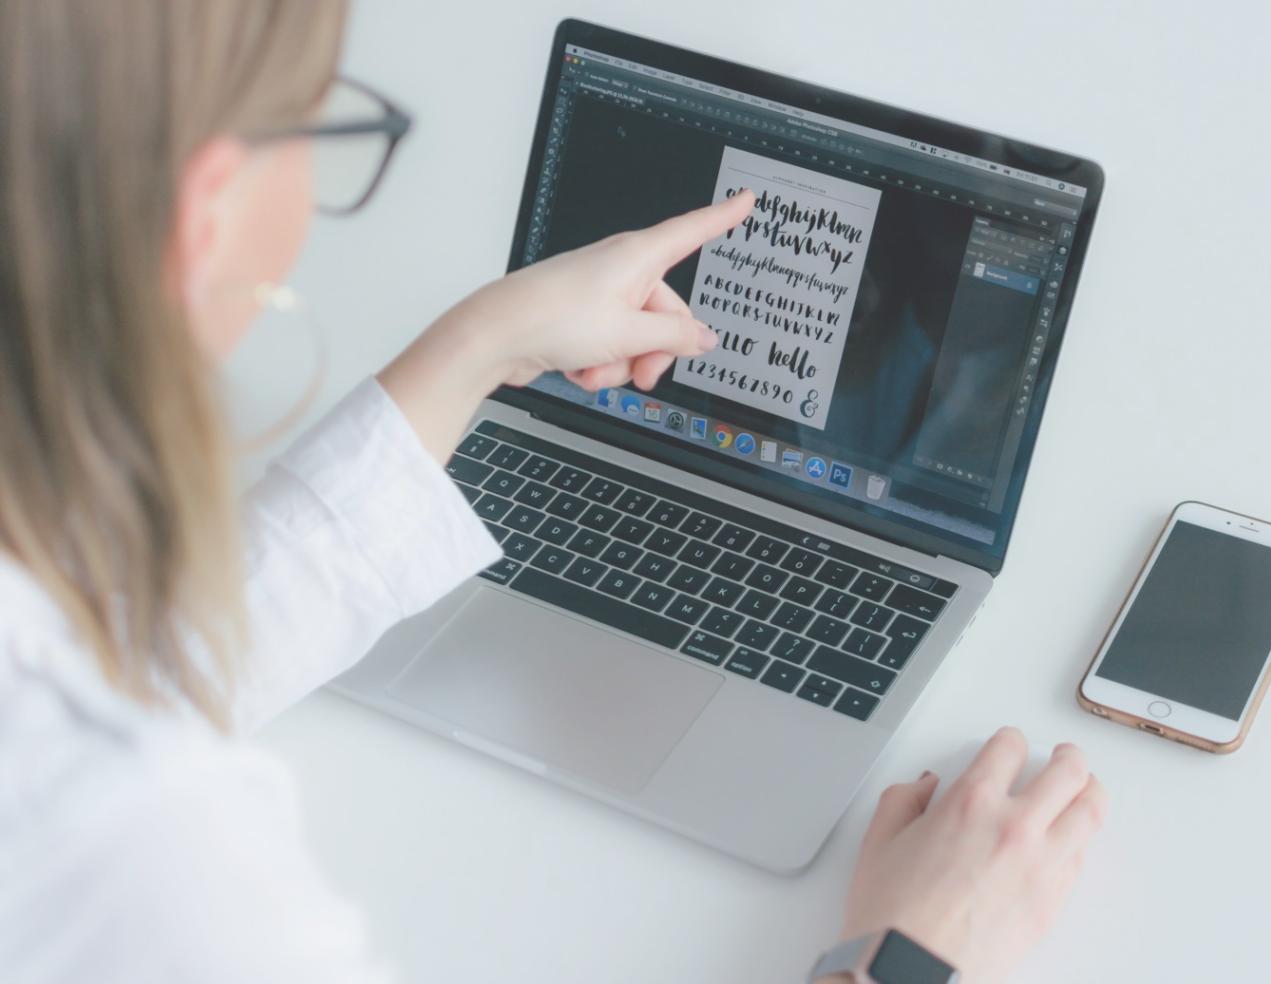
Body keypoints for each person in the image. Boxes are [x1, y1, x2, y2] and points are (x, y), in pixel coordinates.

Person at [0, 3, 1107, 982]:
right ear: (205, 215)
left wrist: (485, 342)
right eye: (318, 126)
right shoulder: (158, 865)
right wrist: (910, 953)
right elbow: (112, 760)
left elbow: (143, 678)